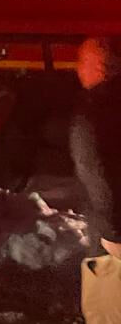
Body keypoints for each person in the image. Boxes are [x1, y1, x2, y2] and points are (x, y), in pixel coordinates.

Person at [72, 36, 121, 258]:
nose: (78, 68)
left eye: (83, 61)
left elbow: (98, 174)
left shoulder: (93, 116)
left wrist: (113, 233)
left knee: (109, 291)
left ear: (99, 67)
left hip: (112, 234)